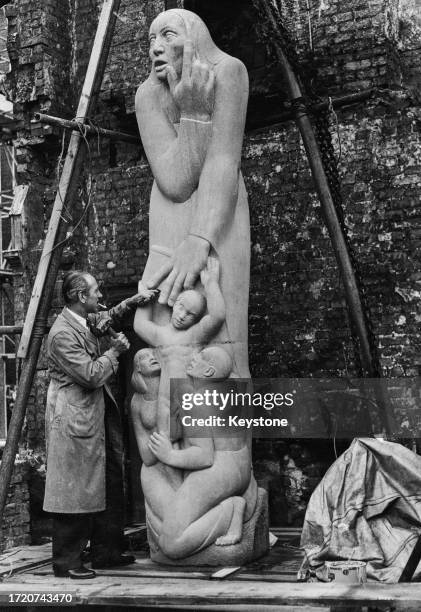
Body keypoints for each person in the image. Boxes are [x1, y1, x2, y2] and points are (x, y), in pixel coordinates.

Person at [135, 7, 251, 381]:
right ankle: (172, 431)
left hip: (220, 206)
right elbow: (175, 181)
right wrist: (194, 113)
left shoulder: (228, 72)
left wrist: (200, 239)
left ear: (195, 38)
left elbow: (221, 161)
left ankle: (224, 434)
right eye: (151, 39)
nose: (156, 47)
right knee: (169, 314)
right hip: (170, 211)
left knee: (224, 328)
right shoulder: (147, 96)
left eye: (167, 35)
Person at [43, 270, 157, 579]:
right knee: (74, 487)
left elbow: (106, 315)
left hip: (96, 412)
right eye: (95, 291)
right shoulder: (62, 333)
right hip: (74, 416)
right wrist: (115, 351)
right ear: (80, 297)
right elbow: (91, 375)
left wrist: (132, 302)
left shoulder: (84, 318)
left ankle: (106, 552)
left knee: (107, 478)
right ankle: (66, 562)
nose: (100, 296)